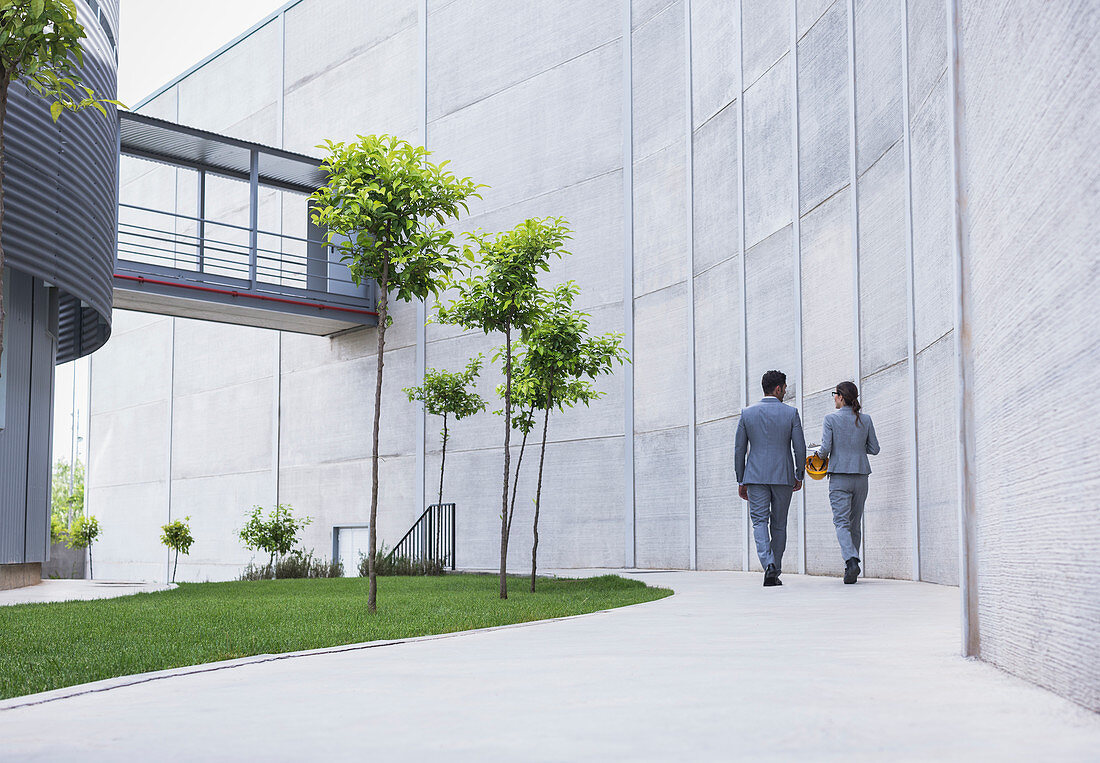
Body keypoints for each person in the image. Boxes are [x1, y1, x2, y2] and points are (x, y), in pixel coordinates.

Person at [735, 370, 806, 587]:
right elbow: (800, 448)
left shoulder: (747, 413)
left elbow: (739, 449)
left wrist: (741, 479)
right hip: (783, 476)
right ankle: (775, 567)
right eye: (785, 388)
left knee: (759, 521)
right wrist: (799, 473)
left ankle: (768, 564)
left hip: (755, 477)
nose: (785, 391)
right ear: (778, 389)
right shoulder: (791, 413)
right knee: (779, 524)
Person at [816, 381, 880, 584]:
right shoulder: (866, 420)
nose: (834, 397)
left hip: (839, 477)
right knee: (855, 523)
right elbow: (875, 448)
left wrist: (816, 453)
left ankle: (851, 560)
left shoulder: (830, 419)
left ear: (842, 397)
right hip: (861, 476)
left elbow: (825, 450)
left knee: (841, 523)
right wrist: (856, 447)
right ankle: (849, 569)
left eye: (835, 394)